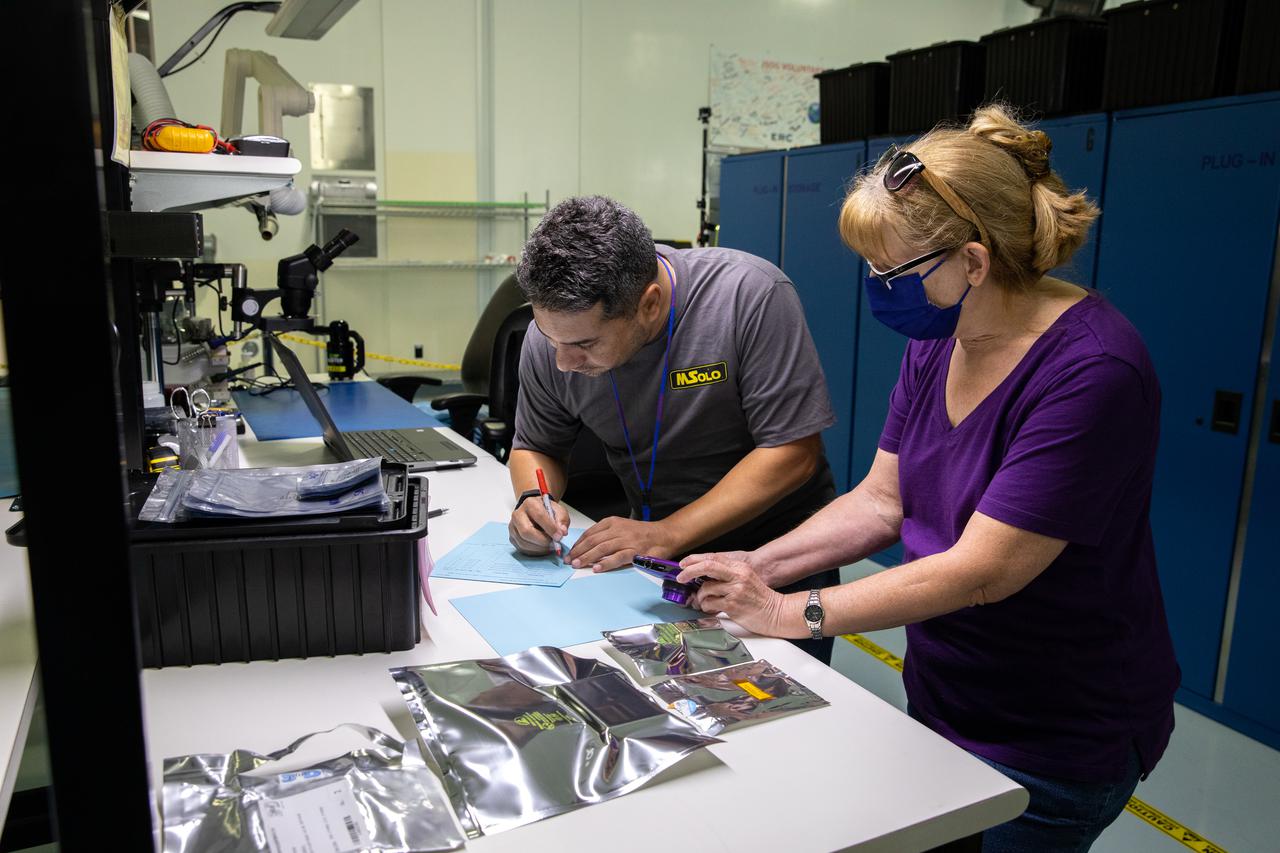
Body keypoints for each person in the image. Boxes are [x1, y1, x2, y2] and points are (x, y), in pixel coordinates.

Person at [675, 105, 1181, 851]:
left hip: (1056, 730)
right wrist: (757, 564)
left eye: (891, 270)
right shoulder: (944, 337)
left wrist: (788, 613)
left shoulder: (1092, 370)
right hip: (948, 695)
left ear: (974, 262)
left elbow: (982, 572)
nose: (877, 286)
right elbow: (883, 499)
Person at [507, 195, 840, 661]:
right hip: (656, 559)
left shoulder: (749, 295)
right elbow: (535, 446)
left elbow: (792, 452)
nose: (563, 362)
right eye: (552, 339)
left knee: (782, 704)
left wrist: (667, 531)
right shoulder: (555, 339)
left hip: (774, 554)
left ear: (650, 304)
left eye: (584, 344)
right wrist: (532, 501)